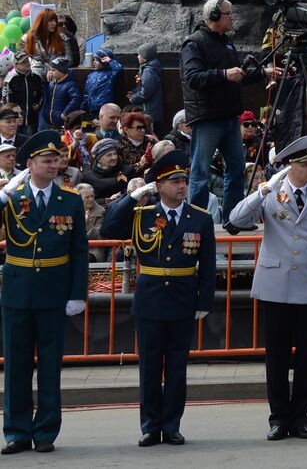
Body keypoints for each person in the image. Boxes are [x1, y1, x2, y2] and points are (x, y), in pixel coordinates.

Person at [227, 136, 307, 441]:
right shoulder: (270, 193)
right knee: (276, 357)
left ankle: (300, 417)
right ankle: (278, 417)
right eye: (304, 164)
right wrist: (262, 190)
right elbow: (236, 219)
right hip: (275, 285)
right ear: (289, 166)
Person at [100, 151, 215, 446]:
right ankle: (150, 426)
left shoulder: (199, 219)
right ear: (159, 185)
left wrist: (204, 302)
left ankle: (172, 424)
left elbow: (208, 264)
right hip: (150, 299)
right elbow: (109, 228)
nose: (181, 185)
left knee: (177, 367)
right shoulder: (143, 215)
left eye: (183, 180)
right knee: (150, 367)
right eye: (173, 181)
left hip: (182, 297)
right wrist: (132, 197)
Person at [0, 131, 89, 454]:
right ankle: (16, 431)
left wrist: (78, 293)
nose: (54, 165)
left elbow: (79, 251)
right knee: (16, 365)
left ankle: (46, 430)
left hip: (53, 290)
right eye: (47, 161)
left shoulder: (71, 199)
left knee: (50, 365)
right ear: (30, 164)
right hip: (18, 290)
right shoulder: (11, 196)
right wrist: (2, 195)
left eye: (57, 160)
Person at [181, 0, 277, 230]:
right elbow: (192, 78)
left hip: (229, 117)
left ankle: (233, 219)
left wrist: (265, 72)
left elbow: (239, 76)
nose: (232, 18)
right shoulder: (194, 43)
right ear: (214, 16)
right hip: (207, 118)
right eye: (228, 14)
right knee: (200, 172)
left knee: (236, 169)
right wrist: (224, 74)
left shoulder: (227, 42)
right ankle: (195, 223)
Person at [128, 43, 166, 135]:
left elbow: (146, 92)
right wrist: (134, 92)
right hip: (152, 110)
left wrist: (133, 98)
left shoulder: (148, 71)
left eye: (139, 54)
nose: (137, 57)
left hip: (149, 111)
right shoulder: (149, 68)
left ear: (145, 56)